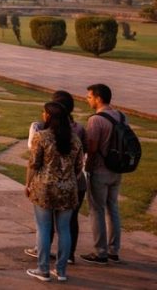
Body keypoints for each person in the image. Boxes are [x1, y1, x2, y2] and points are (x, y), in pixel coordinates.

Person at [25, 91, 86, 264]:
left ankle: (43, 268)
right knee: (64, 229)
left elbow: (33, 164)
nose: (43, 115)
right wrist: (67, 179)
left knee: (44, 228)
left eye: (45, 112)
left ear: (50, 116)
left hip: (45, 188)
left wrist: (28, 184)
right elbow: (79, 166)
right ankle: (61, 269)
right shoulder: (75, 139)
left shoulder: (42, 136)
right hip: (69, 187)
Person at [81, 83, 125, 265]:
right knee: (113, 208)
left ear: (98, 98)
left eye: (89, 97)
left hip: (100, 170)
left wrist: (87, 167)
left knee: (97, 210)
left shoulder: (96, 120)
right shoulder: (121, 116)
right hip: (117, 169)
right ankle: (114, 250)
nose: (87, 100)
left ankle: (100, 252)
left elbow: (92, 148)